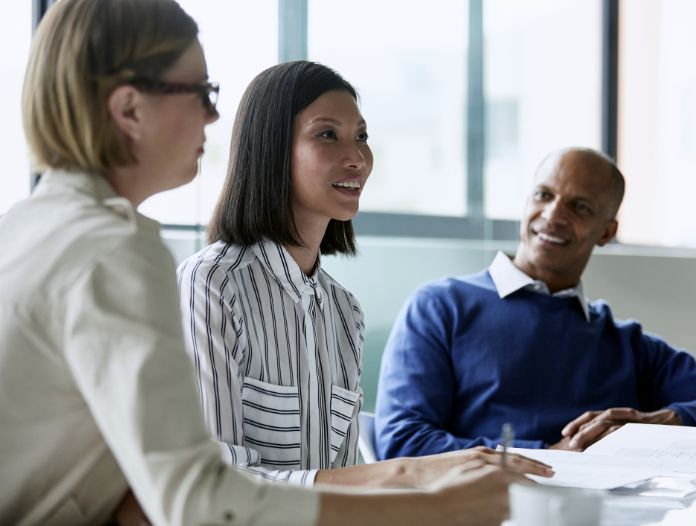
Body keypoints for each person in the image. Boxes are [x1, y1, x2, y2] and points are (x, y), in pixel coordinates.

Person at [0, 1, 533, 524]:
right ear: (129, 110)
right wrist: (425, 497)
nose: (212, 114)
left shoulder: (30, 230)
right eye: (201, 93)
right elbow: (200, 501)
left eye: (362, 136)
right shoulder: (123, 256)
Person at [177, 60, 551, 488]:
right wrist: (407, 472)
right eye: (327, 135)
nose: (357, 158)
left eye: (362, 137)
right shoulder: (211, 285)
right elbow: (215, 483)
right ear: (271, 148)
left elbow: (342, 478)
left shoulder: (343, 310)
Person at [375, 146, 696, 459]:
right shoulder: (440, 306)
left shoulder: (625, 343)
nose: (553, 216)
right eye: (543, 194)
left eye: (579, 207)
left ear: (606, 232)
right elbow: (402, 441)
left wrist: (665, 419)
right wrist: (553, 456)